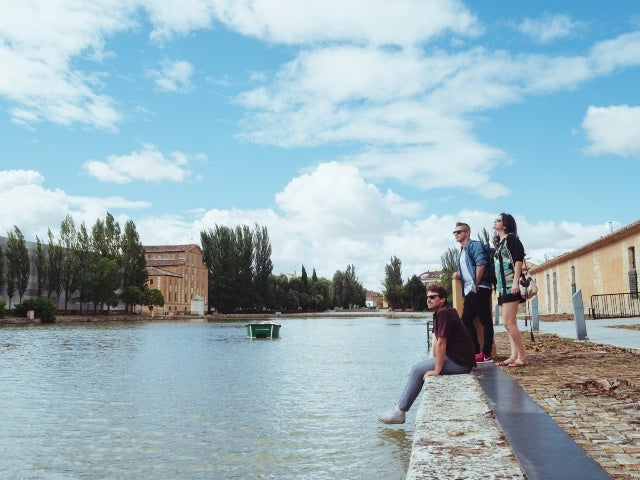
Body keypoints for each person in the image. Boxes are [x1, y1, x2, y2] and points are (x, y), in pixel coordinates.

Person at [377, 284, 476, 424]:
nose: (428, 299)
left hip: (461, 363)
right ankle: (399, 408)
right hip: (460, 359)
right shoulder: (442, 312)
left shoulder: (443, 313)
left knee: (417, 370)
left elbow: (442, 342)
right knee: (417, 368)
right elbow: (437, 340)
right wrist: (433, 360)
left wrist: (437, 370)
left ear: (442, 299)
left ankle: (400, 412)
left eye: (432, 297)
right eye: (427, 297)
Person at [452, 222, 494, 363]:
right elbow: (468, 269)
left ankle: (486, 354)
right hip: (470, 290)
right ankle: (475, 351)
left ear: (467, 233)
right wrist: (459, 274)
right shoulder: (461, 252)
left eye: (459, 231)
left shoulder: (474, 245)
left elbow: (481, 263)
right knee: (465, 321)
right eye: (455, 232)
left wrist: (476, 283)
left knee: (485, 321)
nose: (456, 234)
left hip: (479, 288)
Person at [493, 213, 528, 367]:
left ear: (505, 225)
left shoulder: (512, 239)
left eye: (498, 220)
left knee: (509, 323)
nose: (495, 221)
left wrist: (515, 282)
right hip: (502, 288)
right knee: (509, 324)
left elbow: (518, 260)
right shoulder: (500, 243)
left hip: (510, 286)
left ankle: (522, 357)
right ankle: (513, 356)